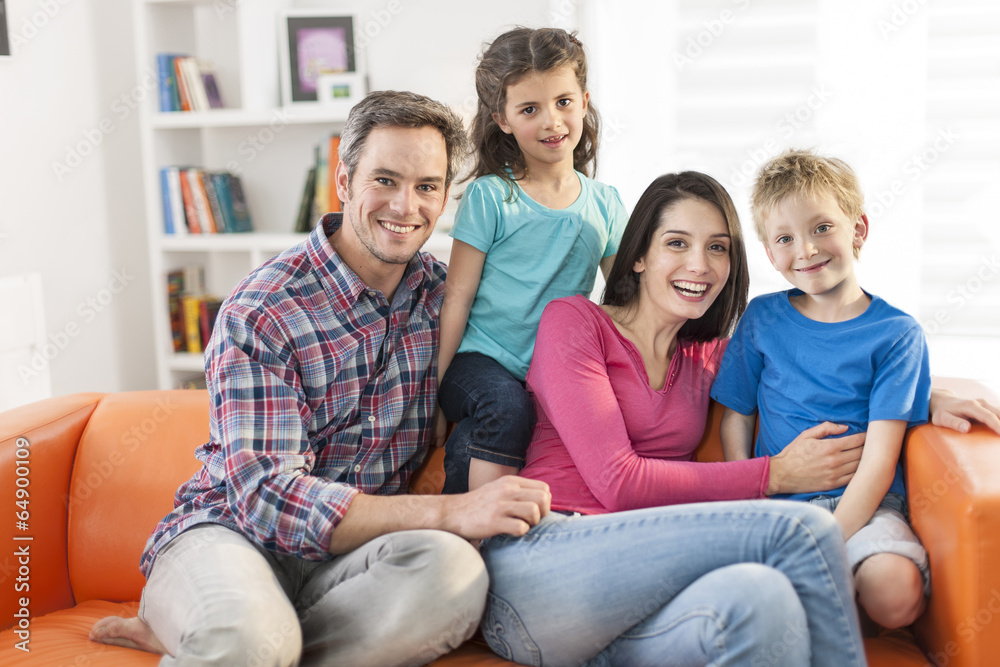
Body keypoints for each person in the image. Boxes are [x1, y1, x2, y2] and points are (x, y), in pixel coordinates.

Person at [89, 90, 551, 667]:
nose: (406, 206)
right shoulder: (264, 308)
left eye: (428, 186)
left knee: (454, 575)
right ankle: (232, 630)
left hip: (350, 556)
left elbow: (548, 324)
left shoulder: (444, 300)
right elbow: (267, 499)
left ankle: (222, 638)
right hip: (230, 533)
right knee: (250, 638)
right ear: (344, 180)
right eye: (385, 180)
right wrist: (447, 511)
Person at [476, 171, 1000, 667]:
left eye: (718, 247)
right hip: (545, 569)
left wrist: (926, 397)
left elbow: (814, 368)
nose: (700, 265)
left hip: (631, 616)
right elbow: (618, 483)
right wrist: (774, 475)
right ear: (637, 256)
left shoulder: (705, 356)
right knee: (801, 530)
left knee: (763, 598)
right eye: (677, 243)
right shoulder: (574, 322)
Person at [711, 149, 930, 629]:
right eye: (786, 238)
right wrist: (748, 493)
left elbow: (879, 457)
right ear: (771, 253)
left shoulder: (898, 334)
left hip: (866, 506)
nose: (806, 250)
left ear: (858, 229)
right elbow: (737, 416)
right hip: (777, 507)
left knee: (894, 593)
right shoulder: (762, 318)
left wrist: (827, 537)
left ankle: (835, 587)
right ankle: (820, 598)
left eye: (822, 228)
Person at [437, 27, 627, 494]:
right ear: (502, 119)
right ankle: (475, 526)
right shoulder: (490, 196)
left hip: (555, 367)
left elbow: (626, 300)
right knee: (506, 407)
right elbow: (457, 298)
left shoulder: (604, 203)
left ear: (583, 101)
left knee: (512, 427)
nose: (552, 121)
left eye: (563, 102)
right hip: (482, 362)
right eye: (529, 109)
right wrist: (436, 395)